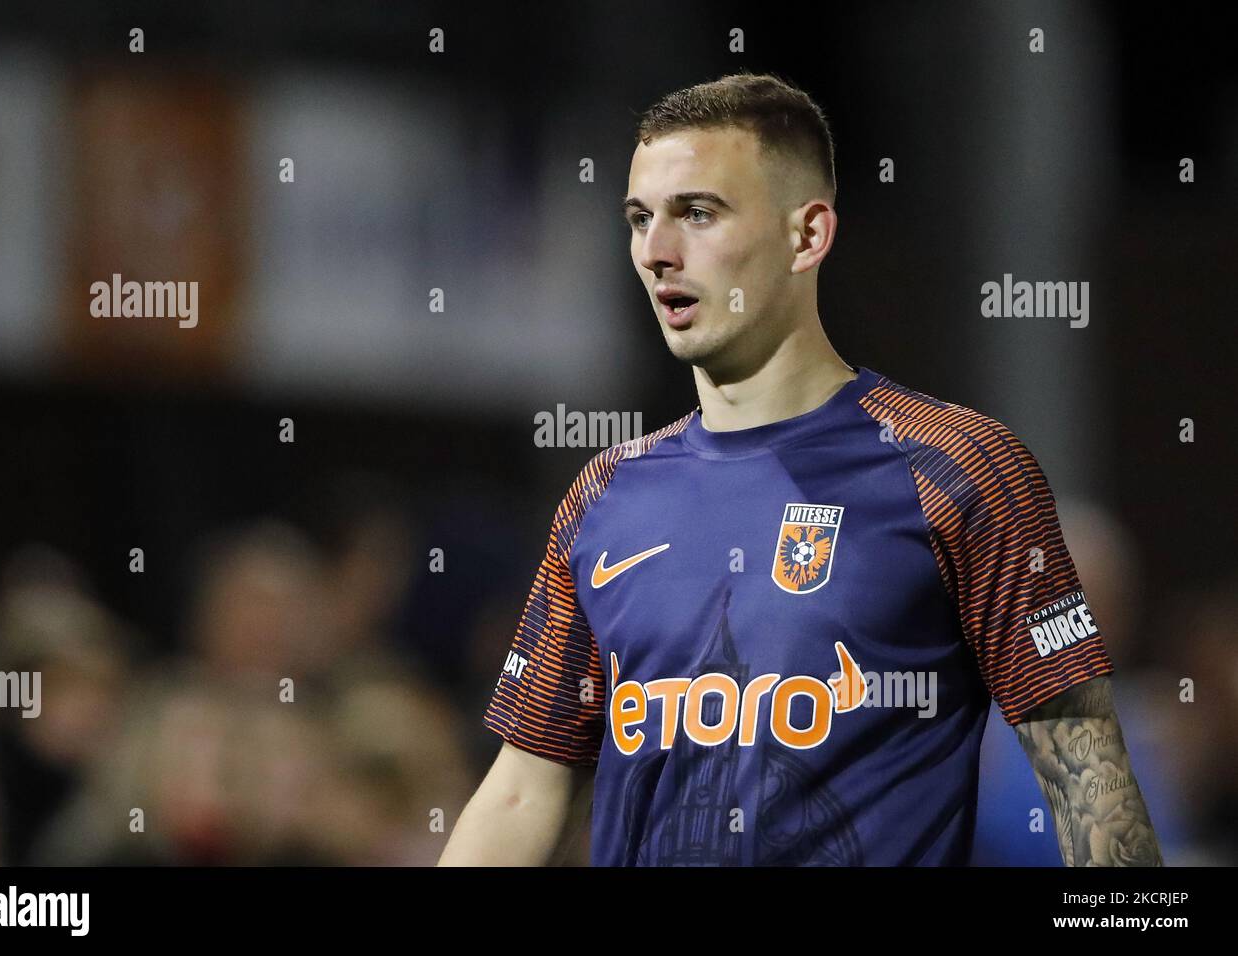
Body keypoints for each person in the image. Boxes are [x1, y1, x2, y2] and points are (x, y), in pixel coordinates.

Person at [438, 72, 1161, 867]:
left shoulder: (958, 468)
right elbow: (522, 789)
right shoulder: (606, 494)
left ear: (807, 235)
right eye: (640, 219)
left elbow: (1089, 779)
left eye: (697, 214)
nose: (656, 252)